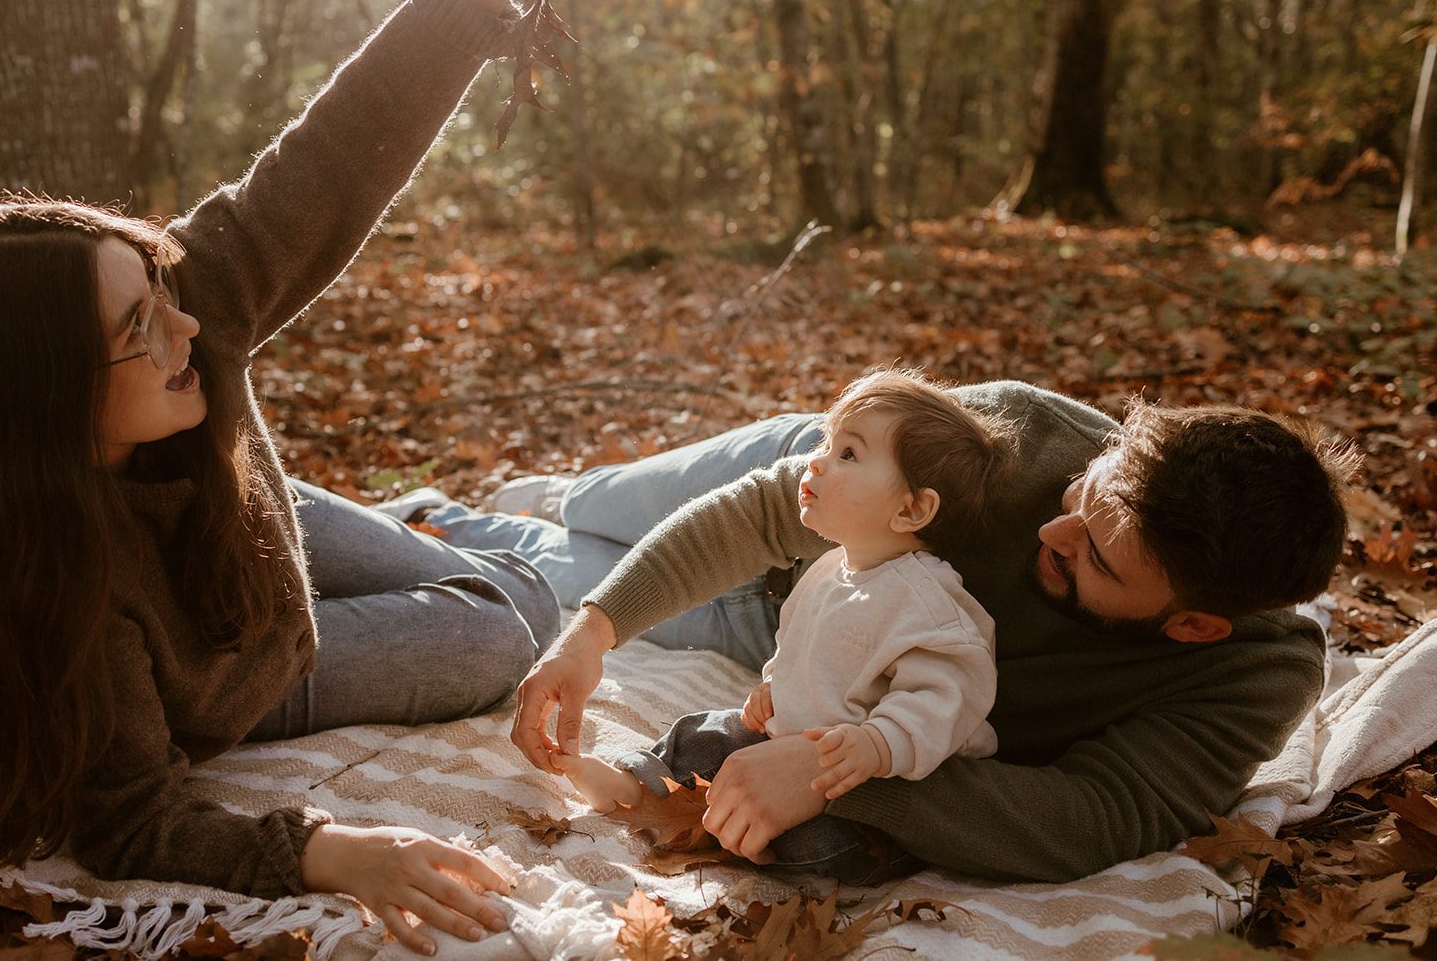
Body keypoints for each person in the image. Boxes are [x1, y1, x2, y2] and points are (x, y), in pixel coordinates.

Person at [0, 0, 630, 956]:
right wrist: (326, 847)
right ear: (40, 402)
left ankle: (468, 520)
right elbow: (132, 817)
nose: (189, 325)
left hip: (248, 531)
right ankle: (505, 532)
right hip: (239, 656)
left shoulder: (185, 314)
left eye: (161, 285)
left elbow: (333, 155)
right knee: (508, 617)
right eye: (142, 324)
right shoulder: (54, 598)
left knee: (532, 571)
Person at [409, 378, 1355, 882]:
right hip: (807, 488)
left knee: (524, 560)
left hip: (794, 631)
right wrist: (594, 633)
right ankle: (540, 494)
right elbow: (765, 514)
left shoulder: (1251, 677)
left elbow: (1095, 813)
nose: (1052, 532)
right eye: (1082, 498)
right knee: (602, 504)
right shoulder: (1026, 437)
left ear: (1192, 623)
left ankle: (440, 515)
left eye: (1096, 558)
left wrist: (833, 771)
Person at [549, 369, 1014, 882]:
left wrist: (877, 743)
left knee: (833, 842)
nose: (815, 459)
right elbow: (800, 648)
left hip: (869, 783)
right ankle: (638, 784)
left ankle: (730, 827)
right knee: (707, 733)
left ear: (911, 509)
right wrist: (772, 687)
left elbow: (946, 699)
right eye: (827, 443)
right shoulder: (828, 568)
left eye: (848, 455)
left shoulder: (930, 606)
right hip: (783, 745)